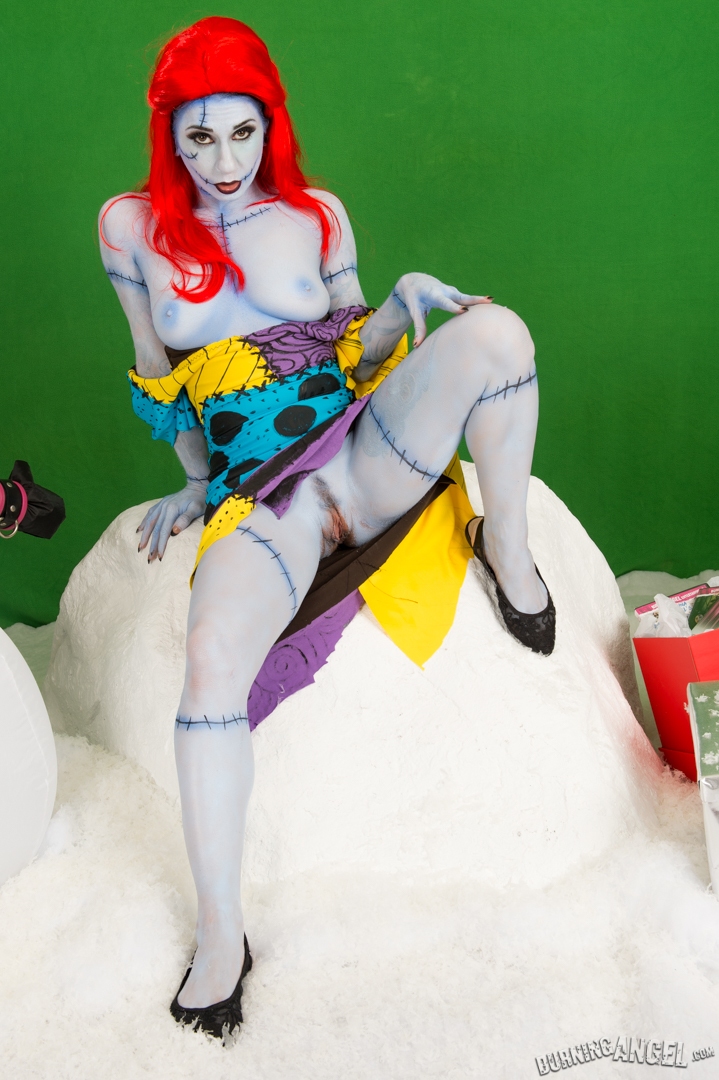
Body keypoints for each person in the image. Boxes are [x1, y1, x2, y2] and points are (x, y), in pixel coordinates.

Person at [100, 15, 555, 1041]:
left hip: (360, 445)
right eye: (197, 137)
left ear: (271, 124)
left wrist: (396, 305)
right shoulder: (130, 229)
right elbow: (159, 374)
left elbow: (359, 352)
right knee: (210, 660)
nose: (222, 161)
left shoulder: (318, 215)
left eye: (241, 133)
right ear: (168, 136)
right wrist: (195, 482)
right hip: (264, 495)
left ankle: (507, 551)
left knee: (498, 335)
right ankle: (222, 937)